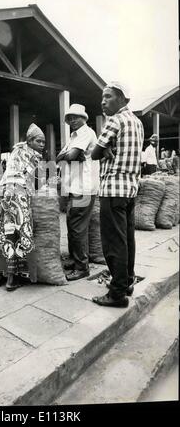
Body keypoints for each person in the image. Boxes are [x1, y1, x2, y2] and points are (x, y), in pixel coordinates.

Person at [91, 82, 144, 308]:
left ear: (122, 99)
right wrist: (108, 148)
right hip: (130, 190)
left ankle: (117, 293)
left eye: (109, 97)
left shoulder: (115, 120)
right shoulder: (137, 122)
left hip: (113, 189)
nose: (103, 101)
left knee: (114, 242)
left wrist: (104, 148)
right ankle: (127, 282)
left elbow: (94, 153)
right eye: (103, 97)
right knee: (127, 239)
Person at [0, 123, 45, 291]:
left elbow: (8, 174)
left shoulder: (16, 151)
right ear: (30, 141)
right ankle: (11, 279)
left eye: (43, 142)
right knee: (18, 234)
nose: (42, 145)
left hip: (2, 192)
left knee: (4, 232)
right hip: (17, 194)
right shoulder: (33, 155)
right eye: (38, 141)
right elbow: (29, 179)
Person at [56, 104, 100, 281]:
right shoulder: (73, 136)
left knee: (77, 228)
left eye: (75, 117)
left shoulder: (86, 133)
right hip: (75, 187)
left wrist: (68, 155)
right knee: (74, 225)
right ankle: (76, 260)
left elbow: (71, 156)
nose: (72, 120)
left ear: (84, 118)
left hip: (83, 187)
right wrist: (66, 154)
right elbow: (60, 156)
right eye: (69, 118)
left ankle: (82, 267)